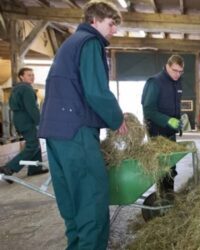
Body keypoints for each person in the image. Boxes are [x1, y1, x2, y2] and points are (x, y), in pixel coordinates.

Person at [37, 1, 127, 249]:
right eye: (111, 24)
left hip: (56, 134)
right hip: (77, 132)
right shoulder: (90, 43)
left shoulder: (69, 45)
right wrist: (117, 119)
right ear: (94, 21)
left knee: (73, 206)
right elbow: (97, 91)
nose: (114, 31)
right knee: (92, 203)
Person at [141, 54, 184, 198]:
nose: (177, 74)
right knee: (162, 167)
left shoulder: (177, 83)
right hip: (157, 133)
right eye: (174, 70)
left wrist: (179, 119)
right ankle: (161, 197)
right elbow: (148, 110)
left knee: (171, 165)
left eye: (180, 71)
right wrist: (167, 120)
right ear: (167, 66)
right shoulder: (155, 82)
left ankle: (168, 196)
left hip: (170, 133)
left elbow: (174, 106)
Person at [0, 67, 48, 180]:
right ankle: (9, 167)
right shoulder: (26, 89)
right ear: (21, 77)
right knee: (32, 145)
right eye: (29, 75)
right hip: (27, 119)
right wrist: (40, 123)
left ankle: (35, 169)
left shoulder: (17, 88)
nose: (32, 77)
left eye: (32, 75)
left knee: (34, 142)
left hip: (20, 118)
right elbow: (32, 108)